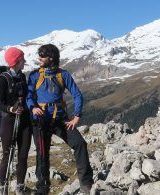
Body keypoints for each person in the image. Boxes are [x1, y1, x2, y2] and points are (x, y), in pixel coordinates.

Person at [26, 44, 93, 194]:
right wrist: (32, 107)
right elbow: (28, 96)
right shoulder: (34, 75)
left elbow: (77, 95)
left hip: (60, 119)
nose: (39, 58)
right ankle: (42, 189)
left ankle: (86, 184)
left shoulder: (63, 75)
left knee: (80, 143)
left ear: (51, 58)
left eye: (42, 55)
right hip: (41, 120)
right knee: (42, 153)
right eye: (39, 54)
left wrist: (77, 116)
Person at [0, 47, 33, 195]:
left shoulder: (22, 77)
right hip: (9, 121)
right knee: (7, 155)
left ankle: (20, 187)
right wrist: (11, 109)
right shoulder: (3, 79)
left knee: (23, 155)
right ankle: (3, 188)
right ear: (16, 62)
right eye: (22, 59)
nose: (25, 62)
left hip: (24, 120)